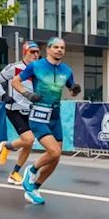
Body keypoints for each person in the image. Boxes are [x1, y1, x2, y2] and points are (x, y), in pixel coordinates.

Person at [13, 37, 82, 206]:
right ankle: (32, 169)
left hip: (55, 116)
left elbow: (71, 89)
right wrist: (27, 94)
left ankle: (34, 188)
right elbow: (15, 82)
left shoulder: (66, 70)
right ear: (48, 50)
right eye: (56, 47)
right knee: (54, 152)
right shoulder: (36, 66)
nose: (60, 50)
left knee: (55, 158)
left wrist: (74, 90)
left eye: (62, 48)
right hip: (39, 115)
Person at [0, 41, 42, 185]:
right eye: (32, 52)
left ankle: (14, 173)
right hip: (15, 109)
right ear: (25, 52)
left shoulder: (38, 70)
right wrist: (3, 95)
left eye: (38, 52)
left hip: (30, 110)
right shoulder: (15, 68)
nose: (36, 54)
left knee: (28, 144)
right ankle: (6, 146)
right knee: (29, 139)